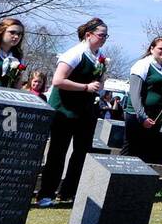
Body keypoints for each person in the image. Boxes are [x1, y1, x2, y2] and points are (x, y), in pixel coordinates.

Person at [37, 17, 109, 207]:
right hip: (65, 109)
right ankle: (46, 194)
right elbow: (58, 80)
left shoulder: (99, 56)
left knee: (82, 152)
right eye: (101, 35)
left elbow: (101, 81)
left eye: (106, 36)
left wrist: (98, 85)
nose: (104, 39)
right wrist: (85, 87)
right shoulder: (75, 53)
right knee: (58, 152)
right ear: (88, 35)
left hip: (85, 111)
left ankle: (68, 191)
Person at [124, 36, 162, 162]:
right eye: (161, 48)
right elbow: (135, 94)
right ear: (152, 49)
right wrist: (142, 116)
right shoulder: (143, 64)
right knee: (130, 151)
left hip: (156, 117)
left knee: (146, 154)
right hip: (138, 115)